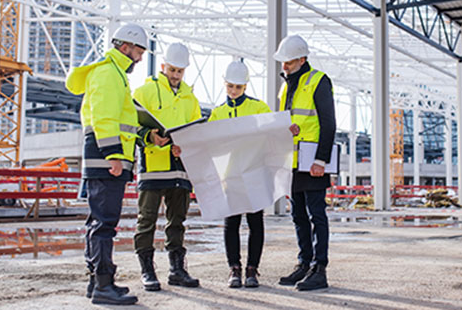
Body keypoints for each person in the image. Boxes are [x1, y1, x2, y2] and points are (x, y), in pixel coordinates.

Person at [65, 23, 147, 305]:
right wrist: (113, 155)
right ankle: (102, 285)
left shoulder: (113, 73)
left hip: (107, 157)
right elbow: (104, 117)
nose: (139, 57)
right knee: (104, 223)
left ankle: (97, 282)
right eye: (139, 51)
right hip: (106, 158)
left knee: (99, 221)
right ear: (126, 47)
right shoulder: (108, 73)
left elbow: (121, 120)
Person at [132, 42, 201, 291]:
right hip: (153, 166)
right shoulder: (145, 92)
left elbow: (195, 131)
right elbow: (130, 124)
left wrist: (186, 145)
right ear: (163, 66)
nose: (175, 75)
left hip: (180, 168)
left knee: (177, 221)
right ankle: (147, 270)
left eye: (180, 71)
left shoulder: (190, 98)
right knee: (146, 219)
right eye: (172, 69)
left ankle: (177, 269)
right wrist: (149, 136)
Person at [274, 35, 336, 291]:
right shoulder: (286, 86)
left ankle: (319, 269)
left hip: (312, 161)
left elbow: (329, 122)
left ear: (301, 59)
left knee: (316, 215)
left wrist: (321, 160)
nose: (284, 67)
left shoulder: (319, 81)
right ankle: (304, 264)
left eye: (288, 62)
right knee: (299, 216)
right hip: (293, 161)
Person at [208, 60, 272, 288]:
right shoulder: (217, 113)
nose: (234, 91)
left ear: (246, 86)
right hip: (231, 177)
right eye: (230, 86)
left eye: (238, 87)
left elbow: (270, 136)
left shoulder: (259, 108)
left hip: (255, 174)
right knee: (232, 223)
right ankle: (234, 268)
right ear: (224, 84)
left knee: (255, 223)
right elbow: (210, 145)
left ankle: (252, 269)